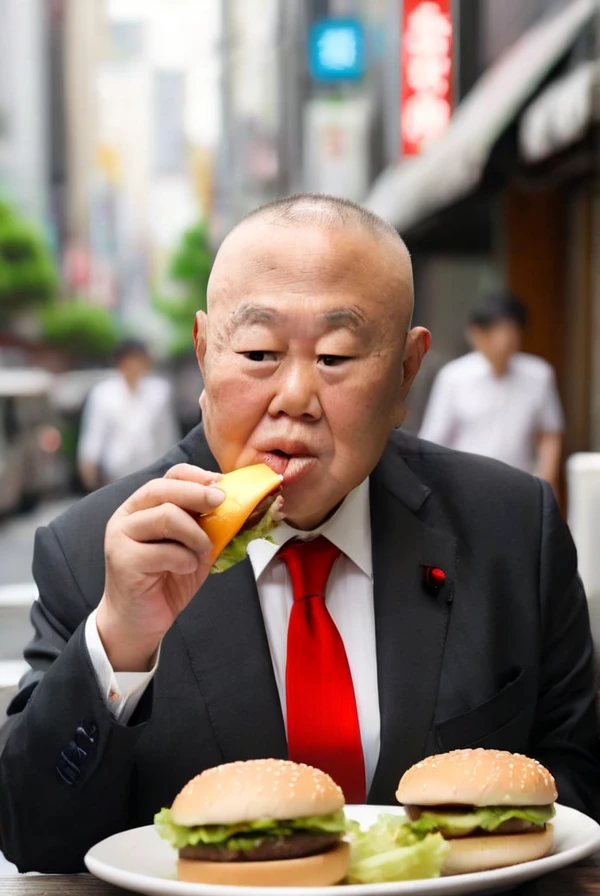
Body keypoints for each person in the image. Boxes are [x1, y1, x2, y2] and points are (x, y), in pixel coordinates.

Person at [0, 195, 597, 873]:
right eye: (258, 351)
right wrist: (121, 639)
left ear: (406, 370)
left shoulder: (512, 529)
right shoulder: (97, 548)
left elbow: (576, 785)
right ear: (203, 351)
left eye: (337, 357)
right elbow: (34, 839)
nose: (293, 396)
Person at [419, 293, 564, 493]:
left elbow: (550, 433)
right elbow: (434, 439)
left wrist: (546, 479)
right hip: (468, 487)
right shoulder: (454, 376)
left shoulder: (539, 375)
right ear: (476, 334)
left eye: (510, 330)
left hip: (522, 485)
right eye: (496, 331)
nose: (504, 340)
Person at [77, 337, 180, 490]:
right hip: (116, 474)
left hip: (152, 471)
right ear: (121, 362)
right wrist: (88, 464)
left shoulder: (159, 391)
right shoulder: (103, 393)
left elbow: (166, 433)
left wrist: (174, 464)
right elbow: (95, 432)